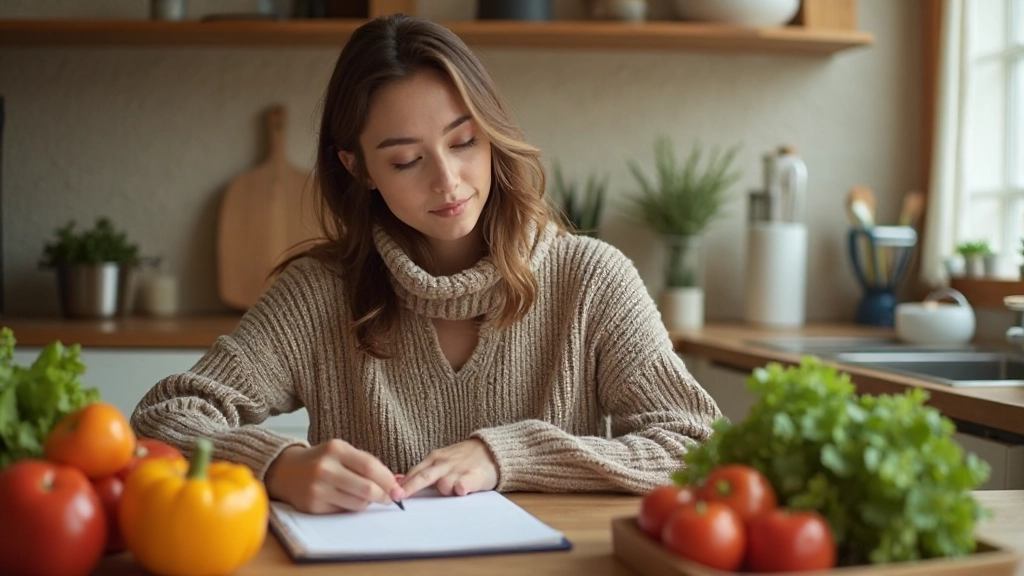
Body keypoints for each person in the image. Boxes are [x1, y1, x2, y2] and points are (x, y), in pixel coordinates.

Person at [131, 14, 721, 514]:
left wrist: (508, 455)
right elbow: (162, 418)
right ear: (359, 168)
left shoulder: (592, 280)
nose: (447, 180)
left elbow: (698, 445)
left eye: (463, 142)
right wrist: (276, 463)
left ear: (492, 134)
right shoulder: (318, 293)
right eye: (406, 160)